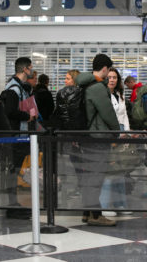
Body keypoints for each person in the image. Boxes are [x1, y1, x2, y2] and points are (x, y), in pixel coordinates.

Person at [75, 53, 121, 226]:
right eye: (108, 70)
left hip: (87, 137)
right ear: (104, 69)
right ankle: (95, 215)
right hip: (97, 138)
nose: (109, 73)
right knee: (96, 177)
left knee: (89, 176)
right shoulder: (97, 88)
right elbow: (107, 112)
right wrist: (116, 131)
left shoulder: (85, 84)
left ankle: (88, 213)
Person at [2, 57, 36, 219]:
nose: (32, 70)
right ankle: (11, 204)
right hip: (15, 136)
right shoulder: (14, 89)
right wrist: (27, 116)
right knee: (12, 170)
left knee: (15, 170)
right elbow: (10, 111)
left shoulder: (21, 88)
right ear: (24, 70)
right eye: (30, 67)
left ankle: (14, 203)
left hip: (20, 135)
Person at [100, 67, 132, 217]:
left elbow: (124, 115)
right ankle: (104, 205)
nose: (112, 79)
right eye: (110, 77)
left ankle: (121, 204)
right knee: (108, 172)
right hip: (109, 135)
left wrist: (126, 132)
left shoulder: (120, 95)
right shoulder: (102, 95)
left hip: (121, 134)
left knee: (120, 172)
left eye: (115, 77)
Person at [54, 69, 85, 198]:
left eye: (68, 78)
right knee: (76, 162)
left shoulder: (65, 94)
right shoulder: (81, 93)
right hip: (76, 134)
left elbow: (68, 116)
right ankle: (81, 187)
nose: (65, 81)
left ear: (74, 80)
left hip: (74, 134)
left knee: (78, 162)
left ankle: (82, 187)